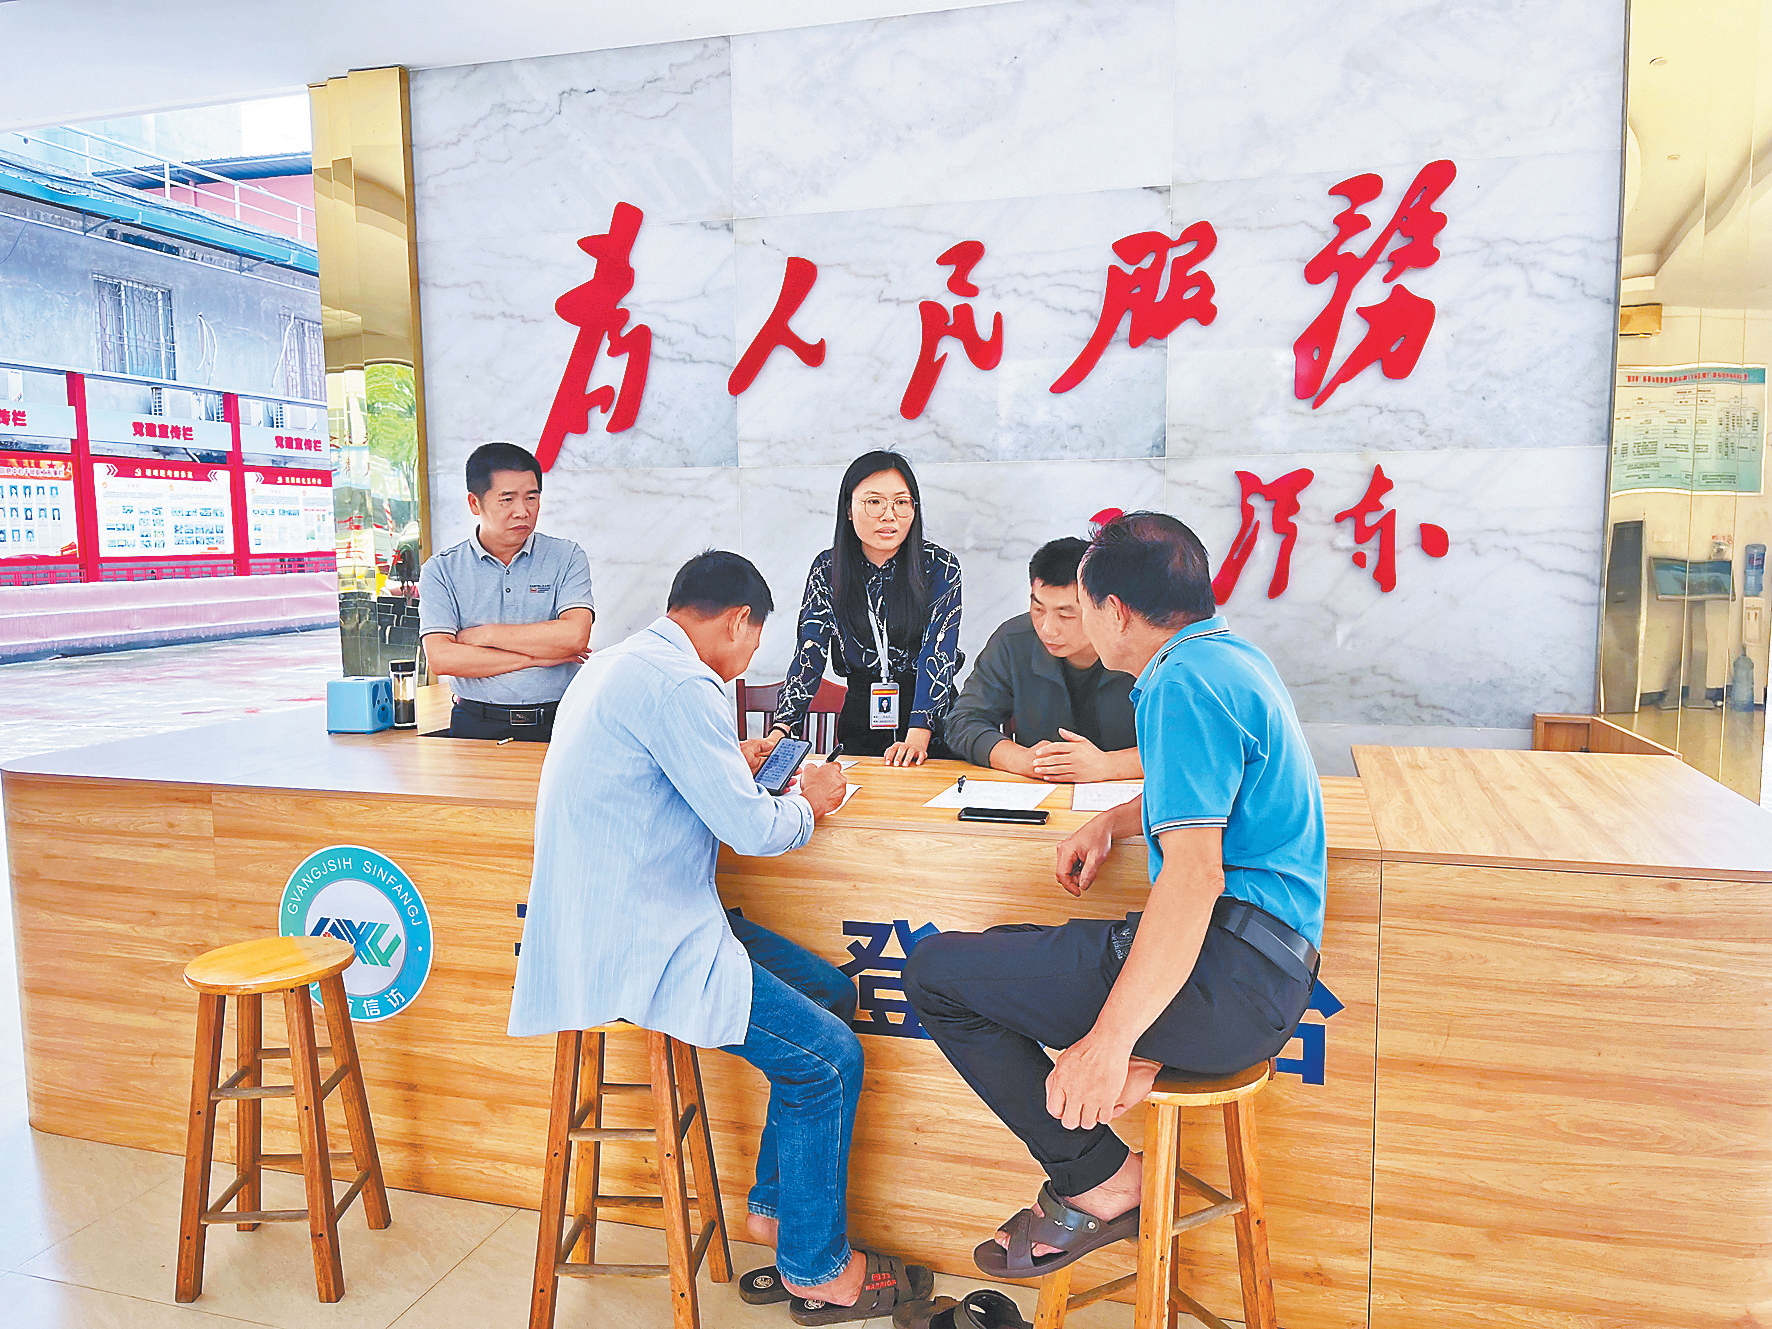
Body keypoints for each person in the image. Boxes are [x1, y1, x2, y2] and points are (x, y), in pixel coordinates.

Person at [509, 550, 934, 1324]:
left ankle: (777, 1211)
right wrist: (814, 799)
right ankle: (819, 1269)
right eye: (755, 641)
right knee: (830, 1059)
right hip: (642, 937)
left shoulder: (624, 664)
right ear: (739, 620)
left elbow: (656, 776)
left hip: (624, 917)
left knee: (827, 992)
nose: (749, 660)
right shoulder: (683, 683)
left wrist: (731, 760)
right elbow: (752, 830)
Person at [903, 512, 1326, 1280]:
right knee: (1007, 948)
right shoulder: (1229, 658)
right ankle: (1132, 1093)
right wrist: (1115, 821)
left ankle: (1101, 1179)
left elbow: (1195, 878)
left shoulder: (1180, 683)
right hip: (1264, 979)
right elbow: (1213, 794)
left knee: (935, 973)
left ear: (1116, 612)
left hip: (1225, 979)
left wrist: (1108, 1042)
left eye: (1082, 606)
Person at [768, 451, 961, 765]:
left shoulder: (939, 566)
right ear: (849, 509)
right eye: (874, 502)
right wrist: (782, 727)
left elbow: (939, 652)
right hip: (863, 716)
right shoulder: (828, 570)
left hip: (931, 728)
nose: (889, 516)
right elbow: (809, 653)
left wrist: (918, 735)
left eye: (901, 502)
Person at [418, 441, 594, 741]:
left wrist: (484, 636)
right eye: (507, 499)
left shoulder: (566, 557)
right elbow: (442, 658)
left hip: (559, 721)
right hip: (476, 724)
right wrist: (535, 658)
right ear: (475, 504)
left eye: (531, 498)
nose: (522, 511)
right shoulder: (441, 570)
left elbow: (574, 637)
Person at [944, 536, 1141, 783]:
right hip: (1039, 791)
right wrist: (1023, 760)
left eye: (1065, 615)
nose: (1047, 629)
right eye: (1038, 609)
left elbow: (1182, 743)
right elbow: (963, 721)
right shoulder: (1014, 641)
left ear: (1105, 608)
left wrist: (1110, 766)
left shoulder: (1143, 648)